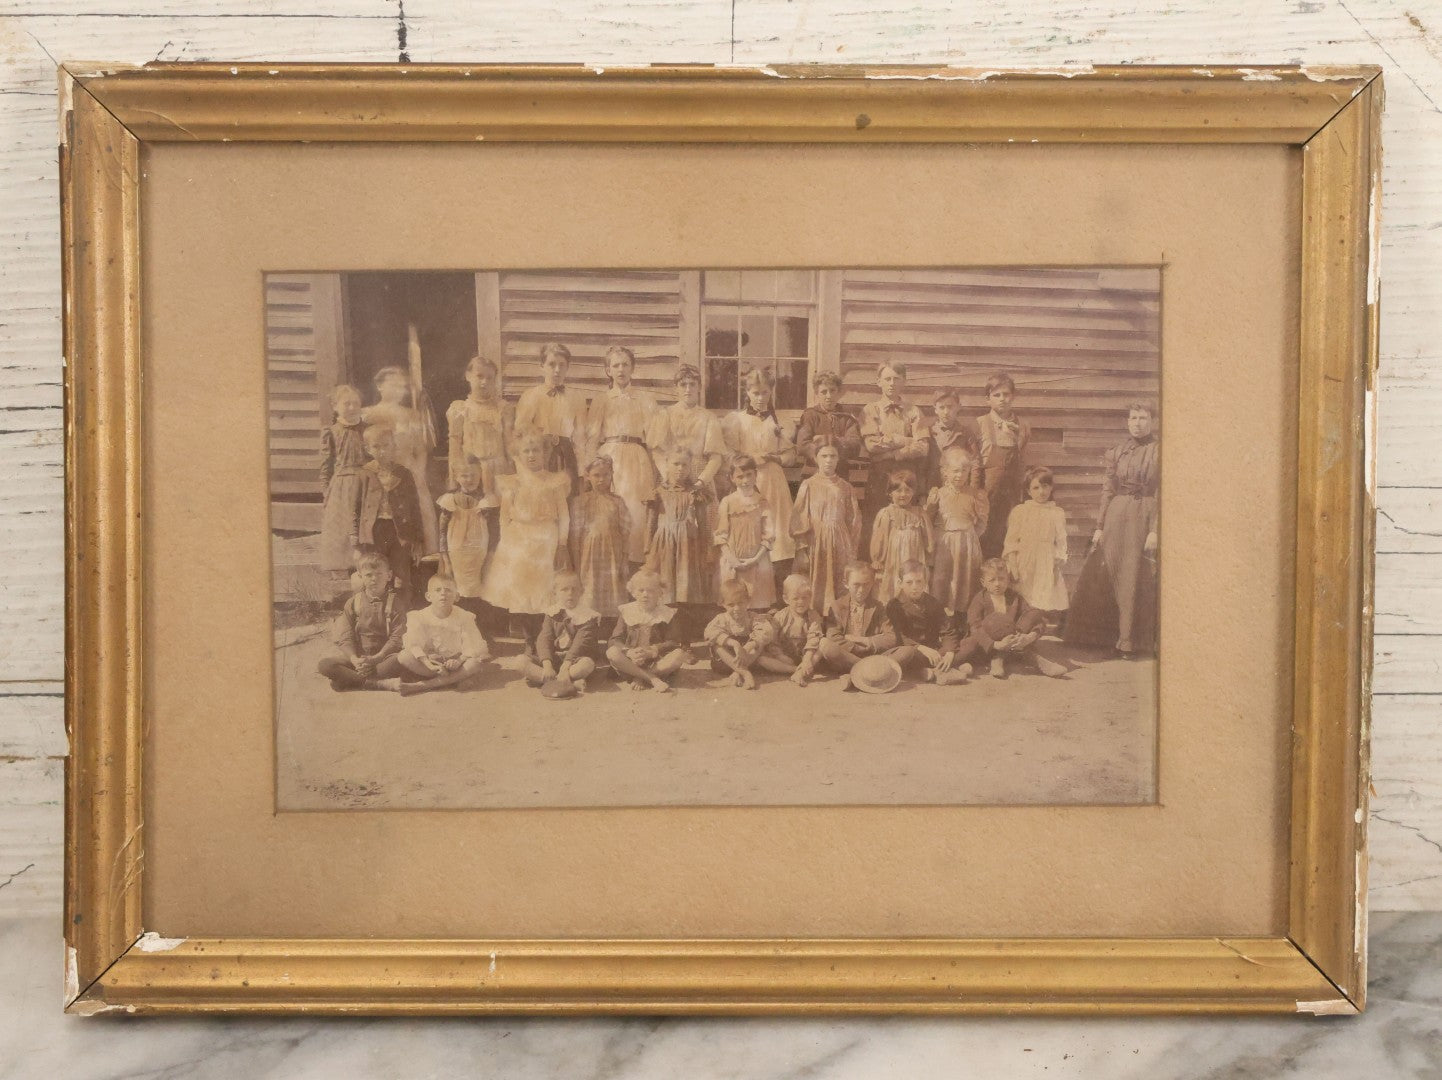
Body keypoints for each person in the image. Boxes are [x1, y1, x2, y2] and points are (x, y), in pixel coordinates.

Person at [1066, 403, 1160, 656]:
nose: (1137, 423)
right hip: (1117, 516)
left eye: (1143, 418)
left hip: (1146, 514)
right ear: (1127, 421)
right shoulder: (1118, 452)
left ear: (1152, 421)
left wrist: (1156, 529)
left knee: (1134, 575)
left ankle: (1131, 641)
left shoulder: (1161, 451)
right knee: (1108, 570)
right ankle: (1101, 638)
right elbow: (1108, 491)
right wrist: (1099, 526)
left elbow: (1165, 491)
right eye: (1133, 418)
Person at [477, 429, 572, 644]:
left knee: (543, 590)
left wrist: (562, 544)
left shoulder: (555, 481)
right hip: (518, 538)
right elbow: (503, 518)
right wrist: (506, 545)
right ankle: (530, 641)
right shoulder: (512, 482)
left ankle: (544, 641)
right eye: (526, 451)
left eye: (536, 450)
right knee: (521, 591)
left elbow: (564, 517)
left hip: (546, 538)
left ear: (545, 453)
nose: (531, 455)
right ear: (518, 455)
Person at [721, 366, 798, 577]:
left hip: (774, 481)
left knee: (778, 530)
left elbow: (790, 456)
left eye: (765, 392)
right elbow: (728, 454)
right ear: (746, 393)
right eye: (755, 393)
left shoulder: (779, 421)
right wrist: (747, 462)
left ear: (771, 392)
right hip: (747, 481)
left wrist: (772, 457)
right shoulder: (737, 420)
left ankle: (777, 591)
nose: (760, 398)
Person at [585, 344, 658, 565]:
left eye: (625, 364)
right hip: (610, 457)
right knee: (610, 509)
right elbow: (591, 438)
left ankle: (634, 564)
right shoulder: (602, 400)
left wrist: (656, 473)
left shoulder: (645, 400)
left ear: (633, 368)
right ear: (608, 370)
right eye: (615, 365)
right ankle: (611, 563)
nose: (621, 370)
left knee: (635, 511)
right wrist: (589, 471)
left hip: (637, 458)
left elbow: (654, 440)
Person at [364, 362, 439, 557]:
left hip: (410, 470)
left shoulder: (412, 415)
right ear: (379, 386)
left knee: (415, 515)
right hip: (381, 472)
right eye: (394, 385)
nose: (400, 390)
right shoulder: (369, 414)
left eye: (403, 386)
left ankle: (419, 559)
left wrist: (419, 474)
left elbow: (421, 450)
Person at [643, 448, 714, 638]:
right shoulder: (658, 492)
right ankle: (663, 637)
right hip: (663, 545)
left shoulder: (695, 493)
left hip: (688, 546)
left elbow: (704, 524)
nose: (680, 469)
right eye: (676, 464)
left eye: (685, 465)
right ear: (666, 465)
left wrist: (708, 549)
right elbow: (650, 524)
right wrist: (647, 550)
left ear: (690, 468)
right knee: (664, 589)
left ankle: (684, 640)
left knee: (685, 591)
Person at [956, 558, 1066, 679]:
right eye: (992, 580)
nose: (997, 584)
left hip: (1011, 642)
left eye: (1001, 579)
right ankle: (997, 658)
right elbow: (975, 627)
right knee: (993, 624)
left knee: (1034, 612)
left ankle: (1008, 659)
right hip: (988, 645)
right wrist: (995, 645)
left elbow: (1033, 617)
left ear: (1008, 580)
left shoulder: (1014, 597)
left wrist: (1029, 637)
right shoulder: (980, 599)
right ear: (983, 582)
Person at [859, 362, 927, 549]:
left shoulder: (913, 411)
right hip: (880, 476)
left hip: (906, 478)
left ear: (904, 381)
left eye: (896, 379)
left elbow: (922, 447)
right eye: (887, 379)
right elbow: (872, 445)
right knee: (878, 522)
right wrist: (906, 440)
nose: (891, 383)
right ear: (878, 382)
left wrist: (894, 451)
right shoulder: (870, 410)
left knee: (905, 526)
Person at [315, 552, 406, 691]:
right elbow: (346, 636)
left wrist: (378, 657)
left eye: (379, 574)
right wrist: (354, 659)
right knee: (325, 665)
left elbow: (397, 638)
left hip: (384, 659)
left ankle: (349, 679)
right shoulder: (353, 602)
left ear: (389, 575)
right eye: (369, 575)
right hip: (359, 659)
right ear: (360, 577)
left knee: (402, 659)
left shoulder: (396, 603)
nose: (374, 579)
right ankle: (376, 684)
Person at [790, 438, 861, 615]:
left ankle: (837, 621)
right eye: (824, 456)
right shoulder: (808, 485)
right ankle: (816, 621)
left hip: (840, 541)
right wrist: (802, 548)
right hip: (816, 541)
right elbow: (798, 519)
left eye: (833, 456)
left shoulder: (845, 487)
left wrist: (851, 548)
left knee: (840, 581)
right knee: (816, 582)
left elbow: (854, 520)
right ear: (816, 458)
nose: (828, 460)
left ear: (838, 459)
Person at [354, 425, 425, 597]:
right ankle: (376, 615)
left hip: (399, 532)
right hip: (374, 532)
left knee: (401, 576)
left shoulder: (403, 474)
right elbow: (355, 510)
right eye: (376, 447)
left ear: (394, 446)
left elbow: (415, 508)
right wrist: (355, 544)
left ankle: (400, 617)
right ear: (367, 449)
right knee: (375, 574)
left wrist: (417, 541)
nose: (382, 451)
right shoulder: (364, 474)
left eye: (386, 446)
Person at [396, 574, 492, 696]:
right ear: (428, 596)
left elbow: (473, 642)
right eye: (438, 590)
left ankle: (423, 685)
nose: (443, 593)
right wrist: (428, 663)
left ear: (457, 596)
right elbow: (413, 643)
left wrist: (459, 660)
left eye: (448, 590)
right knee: (403, 656)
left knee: (475, 663)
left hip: (457, 662)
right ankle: (454, 680)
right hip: (431, 664)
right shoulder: (419, 616)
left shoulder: (464, 616)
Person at [515, 342, 587, 494]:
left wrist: (581, 471)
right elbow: (520, 434)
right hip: (540, 456)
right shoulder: (531, 396)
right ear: (542, 366)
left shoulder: (576, 397)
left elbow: (580, 437)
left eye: (562, 365)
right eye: (551, 364)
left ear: (568, 367)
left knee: (567, 499)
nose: (557, 370)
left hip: (567, 456)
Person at [884, 560, 972, 685]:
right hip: (914, 650)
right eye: (909, 582)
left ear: (925, 583)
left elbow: (948, 630)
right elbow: (899, 635)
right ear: (900, 583)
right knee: (906, 654)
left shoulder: (933, 603)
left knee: (969, 643)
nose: (915, 586)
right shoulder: (894, 605)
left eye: (919, 581)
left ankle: (938, 668)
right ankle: (938, 670)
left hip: (935, 651)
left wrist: (949, 652)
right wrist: (921, 648)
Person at [646, 363, 726, 496]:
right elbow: (657, 452)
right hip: (671, 475)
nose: (688, 389)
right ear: (676, 388)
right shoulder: (665, 415)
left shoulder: (708, 418)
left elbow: (716, 457)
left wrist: (701, 482)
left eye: (692, 384)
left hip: (699, 476)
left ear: (699, 387)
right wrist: (667, 476)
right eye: (683, 385)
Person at [927, 446, 989, 615]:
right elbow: (928, 519)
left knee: (965, 580)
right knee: (943, 580)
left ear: (969, 472)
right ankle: (941, 618)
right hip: (944, 544)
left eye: (964, 471)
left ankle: (963, 617)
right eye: (955, 471)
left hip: (966, 543)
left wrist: (970, 537)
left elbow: (982, 522)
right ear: (945, 472)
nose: (959, 475)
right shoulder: (938, 494)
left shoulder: (975, 495)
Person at [975, 372, 1031, 558]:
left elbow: (1022, 460)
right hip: (987, 494)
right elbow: (975, 462)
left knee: (1011, 538)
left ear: (1013, 396)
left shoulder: (1023, 425)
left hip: (1012, 494)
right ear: (987, 399)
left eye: (1006, 394)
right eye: (996, 395)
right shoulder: (980, 424)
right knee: (985, 538)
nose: (1002, 399)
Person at [605, 568, 688, 693]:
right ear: (634, 593)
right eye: (641, 590)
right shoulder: (627, 611)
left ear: (660, 593)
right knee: (612, 652)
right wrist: (629, 652)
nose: (645, 594)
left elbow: (674, 641)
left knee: (679, 654)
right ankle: (652, 679)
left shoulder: (667, 613)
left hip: (657, 661)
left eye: (651, 591)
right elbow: (615, 639)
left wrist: (652, 651)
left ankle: (641, 677)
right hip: (632, 661)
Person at [1003, 465, 1070, 619]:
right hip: (1024, 559)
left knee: (1041, 596)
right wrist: (1013, 564)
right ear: (1028, 491)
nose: (1041, 492)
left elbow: (1061, 540)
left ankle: (1034, 625)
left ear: (1051, 488)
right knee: (1023, 593)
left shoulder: (1057, 513)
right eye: (1036, 487)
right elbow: (1011, 540)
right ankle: (1020, 626)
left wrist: (1057, 561)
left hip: (1046, 559)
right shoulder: (1020, 511)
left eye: (1045, 486)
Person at [569, 455, 631, 619]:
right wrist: (576, 565)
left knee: (613, 588)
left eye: (606, 475)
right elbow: (575, 536)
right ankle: (589, 625)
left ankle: (611, 627)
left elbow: (625, 533)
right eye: (596, 475)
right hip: (589, 555)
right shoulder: (581, 501)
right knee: (589, 588)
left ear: (611, 475)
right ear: (588, 476)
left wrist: (624, 561)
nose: (601, 479)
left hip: (613, 553)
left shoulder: (618, 502)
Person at [523, 571, 604, 695]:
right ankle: (568, 682)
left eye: (574, 589)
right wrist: (547, 665)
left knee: (587, 664)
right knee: (520, 662)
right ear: (555, 593)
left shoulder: (588, 616)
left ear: (581, 592)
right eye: (564, 590)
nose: (570, 594)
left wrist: (566, 667)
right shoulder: (552, 612)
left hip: (575, 660)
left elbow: (579, 645)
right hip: (554, 659)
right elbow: (545, 638)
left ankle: (546, 680)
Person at [816, 561, 897, 682]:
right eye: (856, 585)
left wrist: (864, 640)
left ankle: (856, 673)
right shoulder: (836, 606)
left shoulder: (879, 607)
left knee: (907, 651)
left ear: (872, 583)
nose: (861, 590)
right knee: (825, 645)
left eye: (866, 585)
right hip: (846, 657)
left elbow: (891, 638)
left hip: (872, 656)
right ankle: (866, 669)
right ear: (846, 584)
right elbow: (834, 637)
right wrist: (858, 649)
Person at [319, 384, 369, 575]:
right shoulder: (331, 432)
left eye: (355, 403)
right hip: (341, 487)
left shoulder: (367, 429)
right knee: (342, 531)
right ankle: (343, 575)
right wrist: (326, 492)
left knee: (364, 530)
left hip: (365, 483)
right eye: (346, 404)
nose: (352, 407)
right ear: (335, 406)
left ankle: (366, 572)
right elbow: (326, 465)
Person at [446, 354, 513, 496]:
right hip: (470, 472)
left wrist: (512, 473)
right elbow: (455, 445)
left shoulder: (502, 408)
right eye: (479, 376)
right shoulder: (460, 409)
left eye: (490, 378)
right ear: (468, 376)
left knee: (498, 511)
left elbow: (509, 444)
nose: (484, 382)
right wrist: (453, 478)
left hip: (498, 471)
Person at [714, 455, 776, 610]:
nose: (745, 480)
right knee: (734, 600)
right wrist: (732, 560)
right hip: (733, 562)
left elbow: (769, 535)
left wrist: (755, 559)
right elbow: (720, 535)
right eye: (740, 476)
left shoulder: (762, 502)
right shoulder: (727, 502)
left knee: (756, 603)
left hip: (757, 561)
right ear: (732, 478)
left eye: (749, 475)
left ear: (756, 474)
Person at [869, 468, 933, 605]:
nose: (903, 494)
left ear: (914, 492)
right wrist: (877, 558)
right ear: (890, 492)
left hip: (915, 557)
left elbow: (928, 538)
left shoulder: (920, 513)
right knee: (894, 587)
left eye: (908, 490)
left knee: (914, 584)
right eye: (898, 491)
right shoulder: (886, 514)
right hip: (893, 560)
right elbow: (879, 538)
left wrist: (929, 554)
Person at [436, 460, 492, 606]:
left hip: (478, 554)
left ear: (480, 475)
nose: (469, 479)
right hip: (456, 553)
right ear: (456, 477)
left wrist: (490, 557)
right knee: (456, 589)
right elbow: (441, 532)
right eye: (464, 475)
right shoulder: (449, 500)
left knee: (478, 590)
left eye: (473, 475)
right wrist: (446, 561)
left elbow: (494, 531)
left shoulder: (486, 501)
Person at [704, 578, 776, 690]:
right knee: (716, 645)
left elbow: (766, 631)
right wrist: (734, 644)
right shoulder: (721, 619)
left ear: (748, 601)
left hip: (748, 658)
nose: (736, 608)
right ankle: (745, 673)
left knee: (760, 643)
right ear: (722, 604)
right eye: (731, 605)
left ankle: (737, 673)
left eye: (740, 603)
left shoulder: (752, 617)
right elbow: (709, 632)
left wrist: (748, 646)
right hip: (725, 662)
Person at [761, 574, 824, 686]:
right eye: (795, 598)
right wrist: (780, 655)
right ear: (786, 599)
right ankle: (795, 670)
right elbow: (773, 640)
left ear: (810, 597)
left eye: (805, 598)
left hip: (808, 657)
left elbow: (814, 638)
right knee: (762, 659)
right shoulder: (780, 616)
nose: (801, 602)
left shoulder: (813, 616)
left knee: (822, 647)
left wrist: (807, 659)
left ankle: (803, 670)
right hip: (785, 658)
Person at [795, 371, 862, 471]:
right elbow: (803, 446)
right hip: (813, 470)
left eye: (832, 391)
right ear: (817, 394)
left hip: (839, 471)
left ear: (839, 392)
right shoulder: (810, 415)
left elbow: (854, 445)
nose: (829, 396)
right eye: (824, 392)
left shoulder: (847, 418)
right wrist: (825, 457)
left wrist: (823, 439)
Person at [922, 388, 981, 493]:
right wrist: (922, 493)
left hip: (959, 486)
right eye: (941, 407)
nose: (946, 412)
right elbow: (922, 465)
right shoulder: (928, 432)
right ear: (935, 409)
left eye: (950, 407)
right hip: (934, 486)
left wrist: (973, 488)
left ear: (958, 407)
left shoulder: (966, 433)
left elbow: (975, 462)